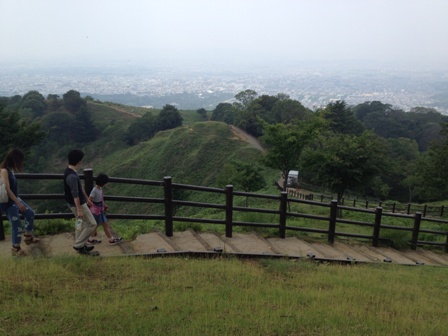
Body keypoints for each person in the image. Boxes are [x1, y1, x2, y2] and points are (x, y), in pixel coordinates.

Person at [0, 148, 39, 256]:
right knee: (16, 223)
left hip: (14, 199)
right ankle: (15, 248)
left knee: (30, 213)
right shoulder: (4, 171)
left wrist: (17, 201)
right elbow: (7, 189)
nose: (21, 162)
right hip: (7, 202)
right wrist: (18, 203)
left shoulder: (10, 170)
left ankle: (27, 237)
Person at [64, 149, 98, 255]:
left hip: (73, 203)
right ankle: (78, 244)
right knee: (92, 224)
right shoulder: (72, 176)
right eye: (81, 160)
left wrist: (87, 198)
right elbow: (75, 194)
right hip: (78, 205)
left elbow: (79, 188)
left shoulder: (69, 171)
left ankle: (80, 245)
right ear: (78, 161)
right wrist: (79, 209)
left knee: (79, 223)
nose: (81, 161)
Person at [87, 173, 122, 245]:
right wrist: (96, 207)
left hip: (100, 210)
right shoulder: (94, 190)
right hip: (97, 211)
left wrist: (104, 205)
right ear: (103, 183)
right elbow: (89, 200)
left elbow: (100, 199)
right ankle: (111, 240)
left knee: (100, 224)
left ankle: (91, 239)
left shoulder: (99, 188)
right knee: (101, 225)